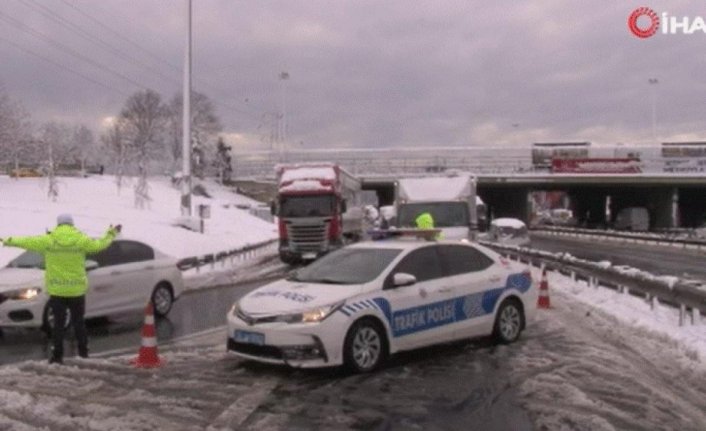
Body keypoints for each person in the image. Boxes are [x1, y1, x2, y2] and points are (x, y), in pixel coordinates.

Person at [0, 214, 120, 364]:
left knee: (58, 325)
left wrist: (5, 240)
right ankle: (83, 353)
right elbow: (100, 245)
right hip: (76, 291)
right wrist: (111, 233)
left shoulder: (49, 240)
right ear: (71, 224)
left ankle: (57, 356)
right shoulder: (81, 240)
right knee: (79, 323)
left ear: (58, 224)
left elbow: (26, 241)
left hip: (57, 292)